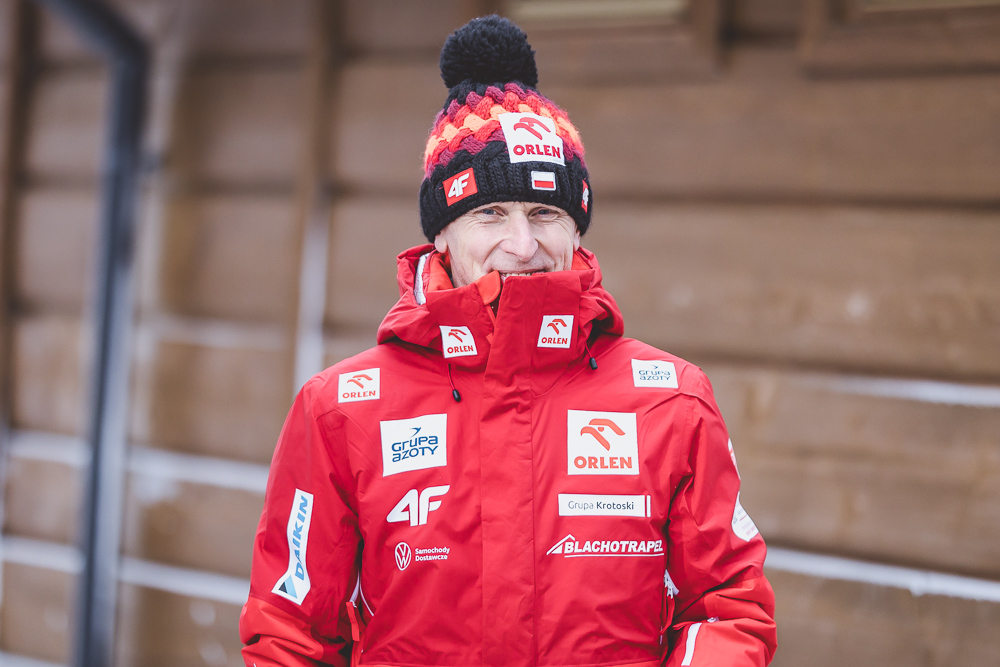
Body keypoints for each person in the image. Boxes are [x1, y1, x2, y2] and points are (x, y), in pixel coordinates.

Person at [240, 15, 777, 667]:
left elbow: (727, 608)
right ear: (442, 234)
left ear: (577, 230)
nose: (523, 246)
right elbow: (289, 632)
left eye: (545, 213)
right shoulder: (341, 410)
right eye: (490, 213)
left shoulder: (671, 401)